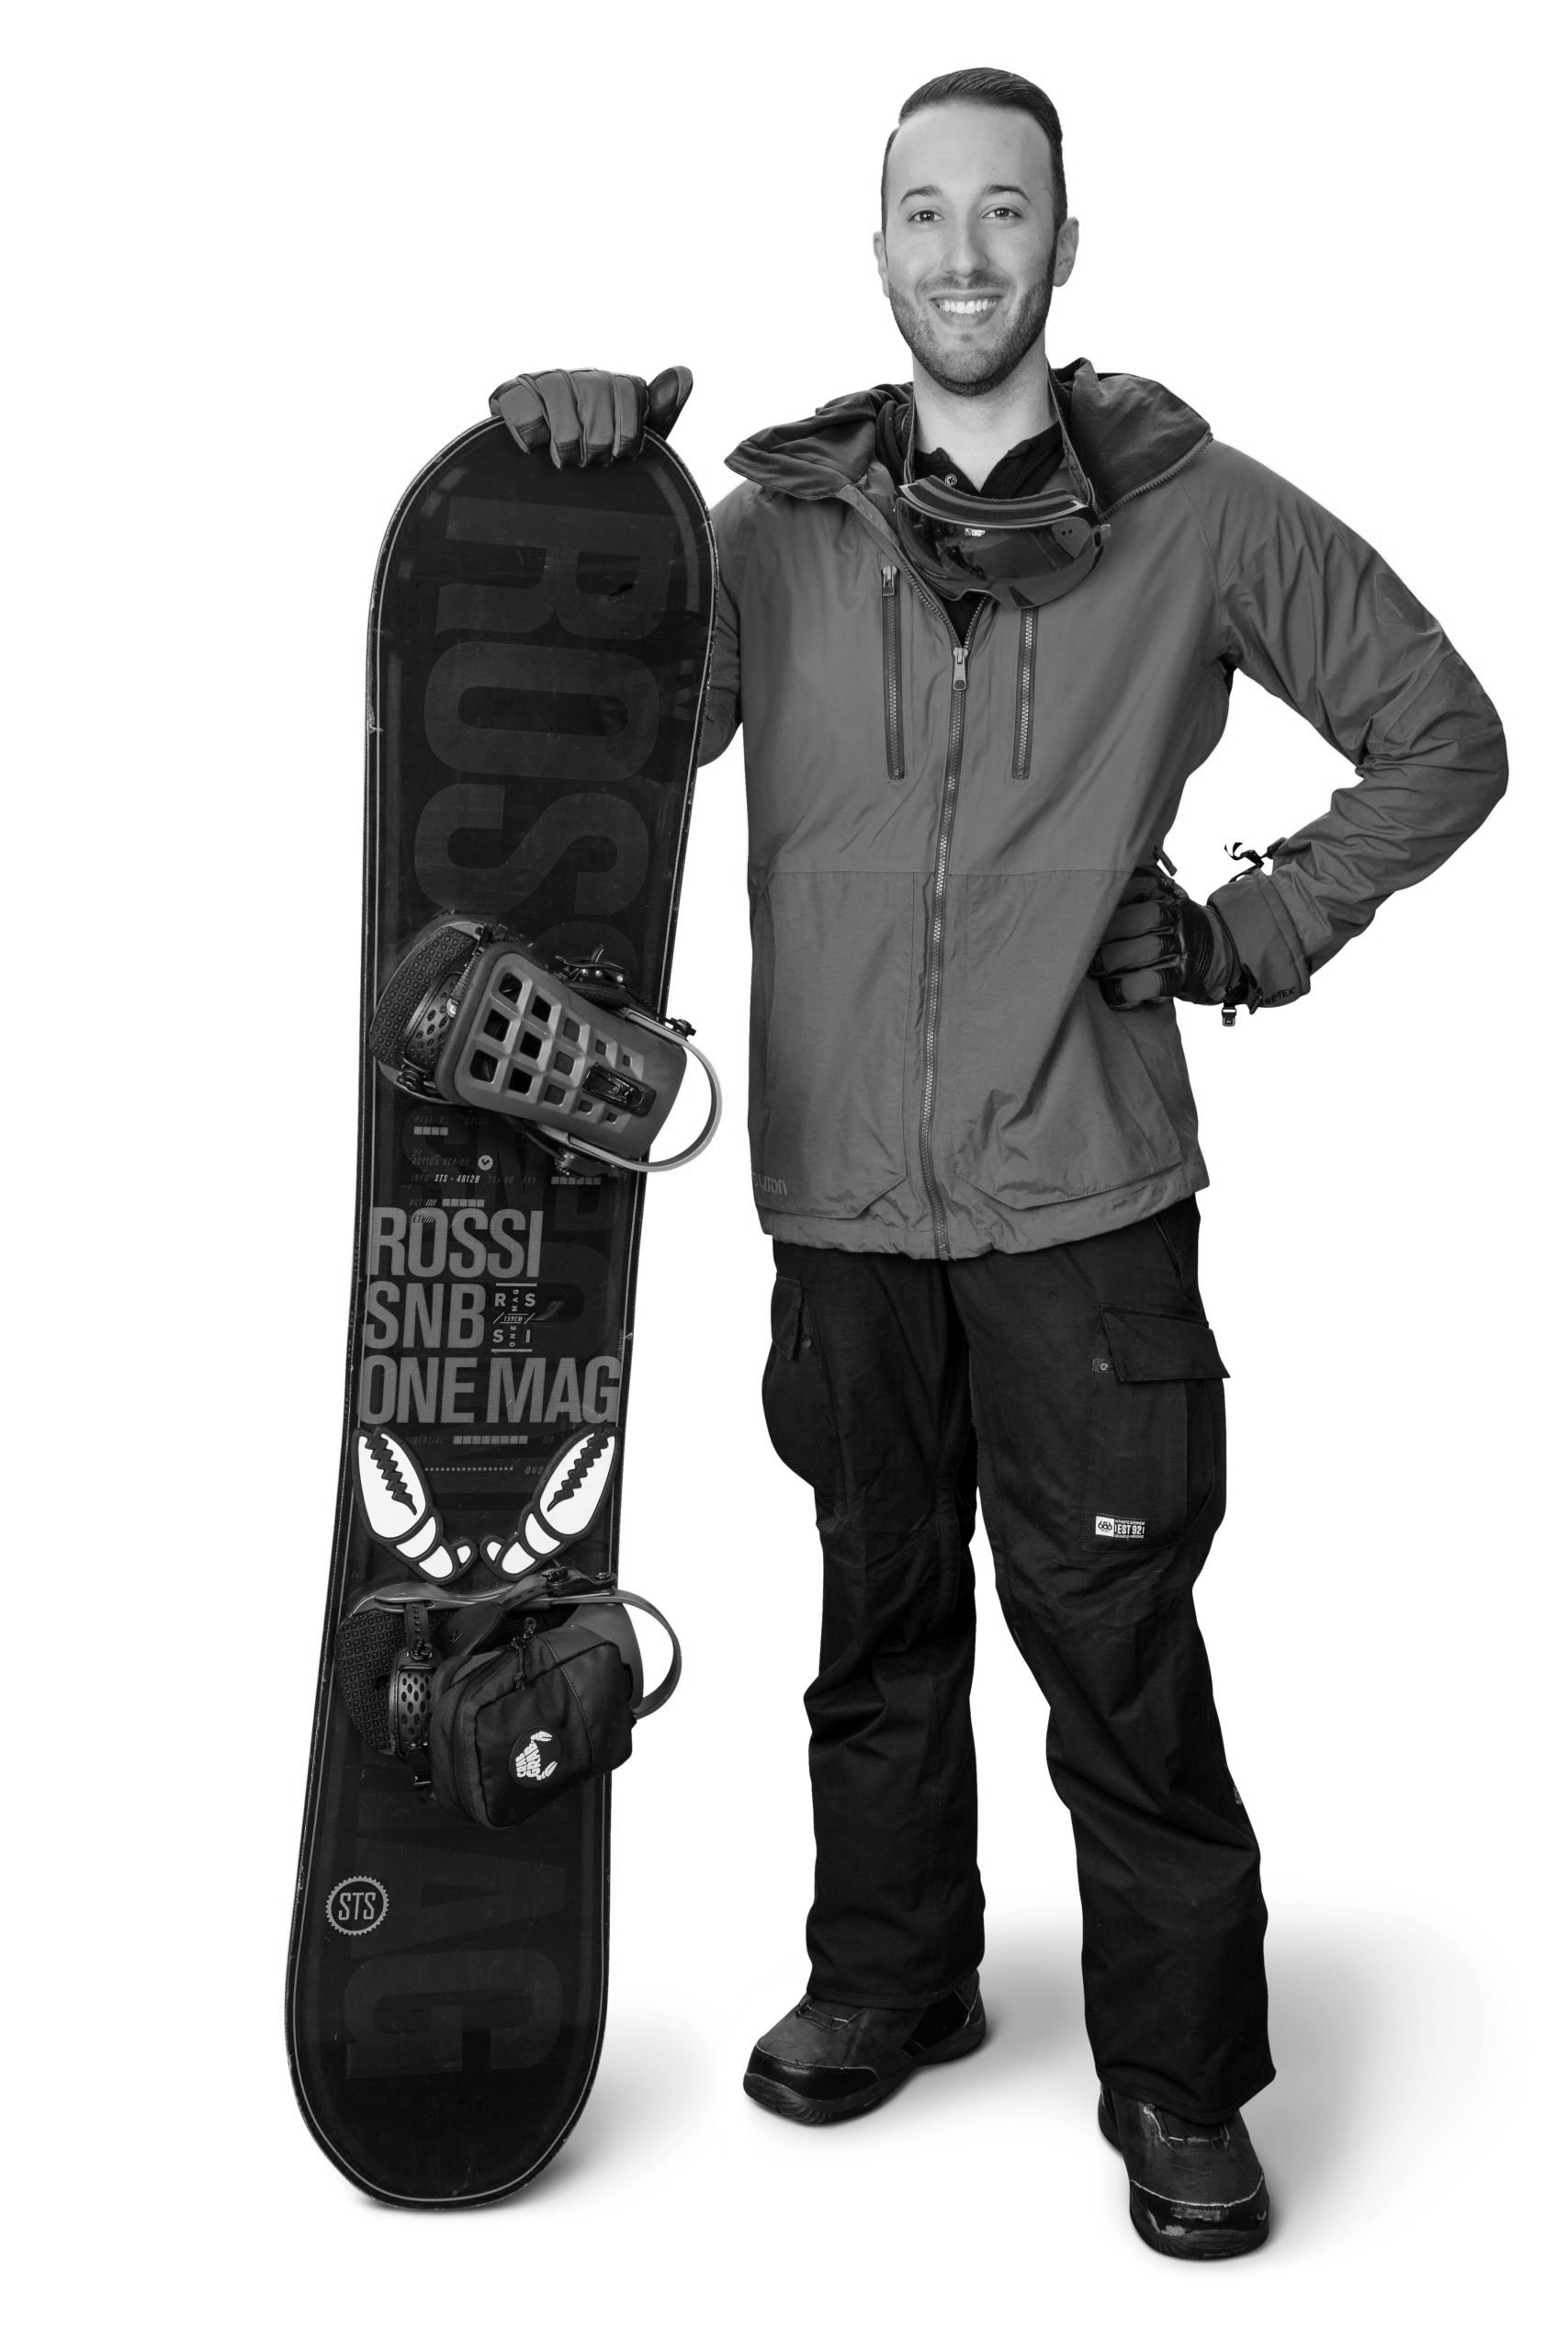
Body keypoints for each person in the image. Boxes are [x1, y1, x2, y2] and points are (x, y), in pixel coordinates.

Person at [488, 64, 1506, 2260]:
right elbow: (610, 743)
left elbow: (1447, 735)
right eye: (923, 214)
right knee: (873, 1622)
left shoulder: (1199, 514)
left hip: (1084, 1206)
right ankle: (893, 1972)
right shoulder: (761, 541)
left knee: (1114, 1640)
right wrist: (574, 489)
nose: (964, 252)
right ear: (876, 251)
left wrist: (1245, 935)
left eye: (1004, 212)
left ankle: (1179, 2077)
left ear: (1067, 242)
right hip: (842, 1202)